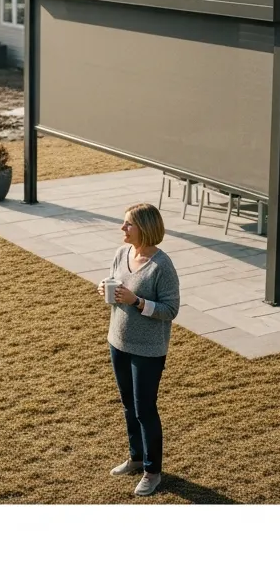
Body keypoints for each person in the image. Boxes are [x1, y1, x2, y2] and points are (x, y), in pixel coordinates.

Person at [97, 202, 180, 496]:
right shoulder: (122, 253)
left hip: (147, 349)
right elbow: (115, 282)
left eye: (128, 224)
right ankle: (135, 457)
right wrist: (106, 290)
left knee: (145, 409)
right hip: (117, 340)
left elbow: (171, 310)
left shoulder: (162, 266)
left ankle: (152, 472)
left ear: (143, 229)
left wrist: (136, 301)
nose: (122, 228)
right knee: (128, 405)